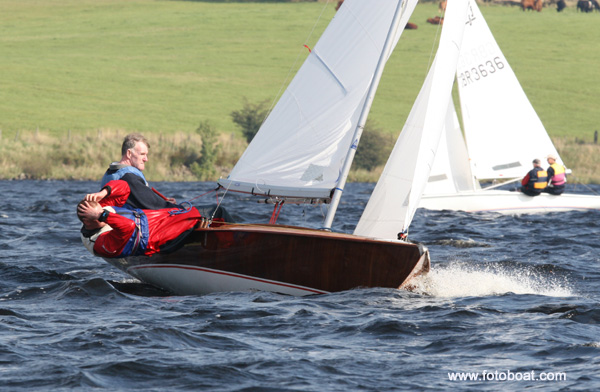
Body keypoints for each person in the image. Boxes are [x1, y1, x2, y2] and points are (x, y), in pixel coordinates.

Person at [77, 179, 210, 258]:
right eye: (98, 213)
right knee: (213, 212)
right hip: (156, 237)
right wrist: (102, 215)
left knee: (204, 211)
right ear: (88, 222)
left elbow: (124, 187)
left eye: (101, 209)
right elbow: (128, 227)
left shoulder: (100, 210)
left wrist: (103, 193)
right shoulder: (99, 243)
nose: (103, 211)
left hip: (157, 218)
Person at [100, 133, 178, 209]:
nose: (146, 159)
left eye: (146, 155)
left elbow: (144, 199)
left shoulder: (110, 172)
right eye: (142, 154)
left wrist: (163, 202)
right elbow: (150, 203)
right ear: (129, 153)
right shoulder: (129, 177)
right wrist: (173, 207)